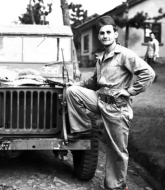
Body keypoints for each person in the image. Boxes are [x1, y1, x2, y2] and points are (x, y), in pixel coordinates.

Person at [66, 16, 155, 190]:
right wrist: (76, 84)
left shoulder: (125, 54)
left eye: (108, 32)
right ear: (99, 37)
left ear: (115, 34)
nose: (105, 35)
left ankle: (116, 186)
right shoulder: (101, 56)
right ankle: (82, 130)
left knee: (117, 151)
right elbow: (93, 81)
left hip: (116, 107)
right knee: (72, 92)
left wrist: (130, 91)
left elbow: (148, 74)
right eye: (102, 33)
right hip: (99, 100)